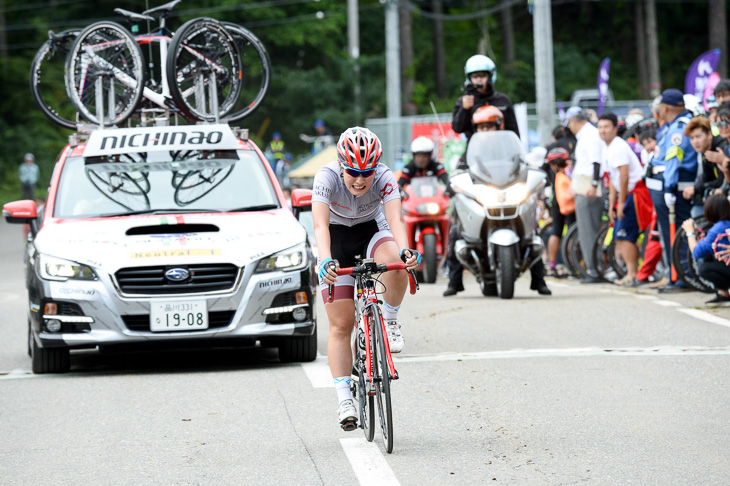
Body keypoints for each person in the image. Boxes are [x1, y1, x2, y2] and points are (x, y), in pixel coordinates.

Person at [311, 126, 420, 430]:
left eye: (367, 172)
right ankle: (344, 398)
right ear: (341, 165)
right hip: (335, 237)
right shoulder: (326, 177)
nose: (360, 179)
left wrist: (406, 250)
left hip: (372, 229)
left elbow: (396, 218)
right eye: (353, 172)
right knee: (341, 324)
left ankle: (390, 319)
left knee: (396, 263)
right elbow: (320, 227)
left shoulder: (385, 177)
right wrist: (324, 260)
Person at [443, 105, 551, 296]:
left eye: (490, 126)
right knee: (456, 231)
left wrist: (532, 171)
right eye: (481, 127)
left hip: (509, 195)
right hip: (483, 198)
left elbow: (522, 163)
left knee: (532, 231)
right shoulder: (472, 147)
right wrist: (455, 179)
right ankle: (454, 280)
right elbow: (461, 166)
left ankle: (539, 279)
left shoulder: (509, 147)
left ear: (498, 126)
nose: (486, 130)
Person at [645, 89, 697, 293]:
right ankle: (675, 275)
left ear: (666, 107)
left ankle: (681, 276)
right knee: (669, 234)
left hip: (673, 186)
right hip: (665, 185)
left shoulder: (679, 128)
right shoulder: (671, 126)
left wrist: (669, 187)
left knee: (675, 234)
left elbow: (674, 159)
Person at [598, 113, 653, 286]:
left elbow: (624, 175)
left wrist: (621, 203)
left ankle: (632, 274)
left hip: (634, 194)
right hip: (625, 195)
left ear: (615, 129)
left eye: (606, 127)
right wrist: (613, 205)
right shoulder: (608, 148)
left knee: (626, 235)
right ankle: (631, 273)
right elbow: (613, 180)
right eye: (600, 127)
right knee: (620, 235)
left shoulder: (618, 146)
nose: (603, 130)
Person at [564, 106, 605, 283]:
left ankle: (594, 270)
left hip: (589, 187)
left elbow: (596, 162)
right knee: (587, 230)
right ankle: (593, 268)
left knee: (589, 231)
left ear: (573, 122)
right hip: (584, 186)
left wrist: (594, 184)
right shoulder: (586, 135)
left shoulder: (589, 135)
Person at [451, 54, 519, 145]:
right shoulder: (464, 101)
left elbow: (514, 133)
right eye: (475, 76)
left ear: (490, 76)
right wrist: (464, 109)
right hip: (475, 153)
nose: (479, 79)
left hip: (500, 151)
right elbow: (457, 128)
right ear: (469, 78)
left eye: (482, 75)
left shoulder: (503, 100)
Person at [682, 194, 730, 303]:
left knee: (705, 269)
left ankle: (724, 293)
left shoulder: (718, 228)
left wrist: (690, 233)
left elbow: (696, 252)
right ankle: (723, 293)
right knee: (711, 255)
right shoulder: (724, 225)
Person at [683, 116, 727, 217]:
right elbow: (707, 177)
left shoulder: (719, 148)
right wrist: (695, 188)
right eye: (692, 138)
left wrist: (696, 188)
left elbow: (722, 180)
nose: (695, 142)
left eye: (698, 136)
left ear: (709, 134)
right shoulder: (705, 151)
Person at [545, 147, 575, 277]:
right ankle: (572, 265)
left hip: (556, 202)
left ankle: (552, 265)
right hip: (569, 203)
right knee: (571, 233)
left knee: (556, 232)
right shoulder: (568, 171)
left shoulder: (553, 173)